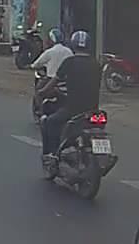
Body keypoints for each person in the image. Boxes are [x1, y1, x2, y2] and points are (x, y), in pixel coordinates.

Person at [41, 30, 100, 168]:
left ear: (73, 45)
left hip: (73, 109)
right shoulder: (96, 64)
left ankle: (53, 155)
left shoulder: (69, 62)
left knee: (50, 122)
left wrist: (42, 91)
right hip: (93, 110)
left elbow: (54, 81)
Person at [30, 28, 72, 116]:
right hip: (66, 81)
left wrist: (32, 66)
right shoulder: (68, 51)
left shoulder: (49, 52)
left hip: (50, 80)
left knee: (39, 91)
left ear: (52, 40)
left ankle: (40, 112)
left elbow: (36, 64)